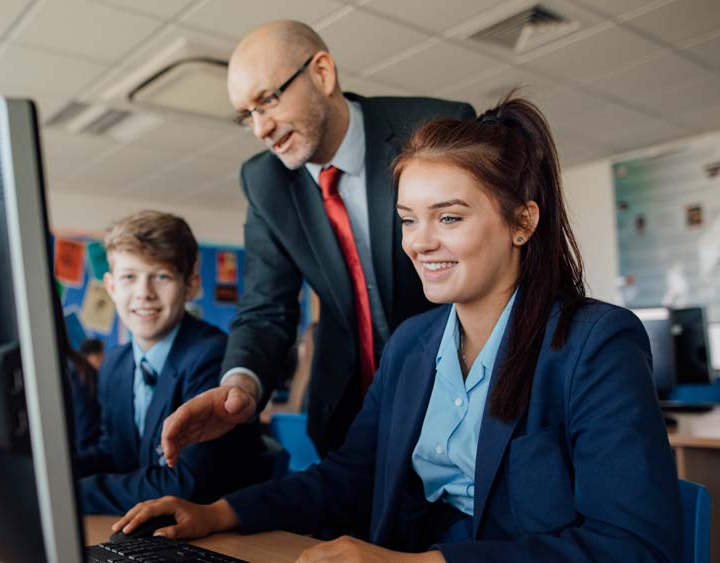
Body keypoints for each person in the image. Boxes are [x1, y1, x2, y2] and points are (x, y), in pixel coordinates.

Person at [113, 96, 681, 562]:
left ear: (522, 222)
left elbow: (633, 546)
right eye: (409, 219)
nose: (419, 241)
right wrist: (218, 513)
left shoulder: (595, 343)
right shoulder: (413, 342)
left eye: (449, 217)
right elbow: (348, 477)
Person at [161, 20, 475, 463]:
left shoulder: (433, 129)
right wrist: (240, 385)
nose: (260, 129)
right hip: (349, 415)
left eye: (268, 101)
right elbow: (266, 308)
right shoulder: (265, 180)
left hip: (455, 403)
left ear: (323, 74)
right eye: (246, 115)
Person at [74, 211, 268, 515]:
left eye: (161, 276)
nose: (144, 293)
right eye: (129, 277)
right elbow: (112, 454)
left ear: (190, 285)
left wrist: (73, 494)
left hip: (222, 539)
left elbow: (185, 483)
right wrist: (51, 474)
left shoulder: (213, 356)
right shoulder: (114, 364)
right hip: (146, 534)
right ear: (111, 286)